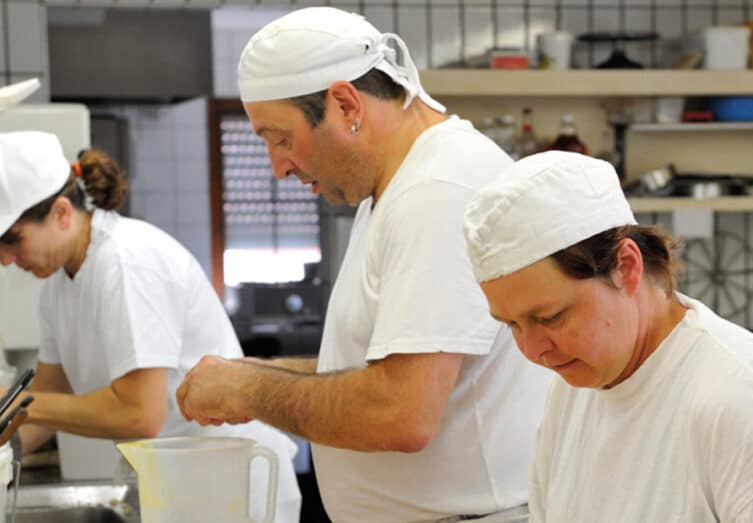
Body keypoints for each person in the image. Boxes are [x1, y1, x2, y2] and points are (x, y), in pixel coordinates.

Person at [175, 7, 552, 523]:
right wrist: (260, 373)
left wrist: (250, 389)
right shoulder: (399, 187)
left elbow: (402, 412)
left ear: (345, 103)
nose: (278, 168)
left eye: (280, 139)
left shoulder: (437, 191)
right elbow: (383, 370)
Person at [0, 131, 301, 522]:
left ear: (61, 213)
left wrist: (18, 404)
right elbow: (49, 396)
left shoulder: (126, 265)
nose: (5, 260)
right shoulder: (57, 288)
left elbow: (140, 413)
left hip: (232, 489)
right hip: (176, 485)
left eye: (12, 240)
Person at [463, 150, 753, 522]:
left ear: (626, 267)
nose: (532, 350)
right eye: (510, 324)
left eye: (550, 316)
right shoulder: (571, 392)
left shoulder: (749, 407)